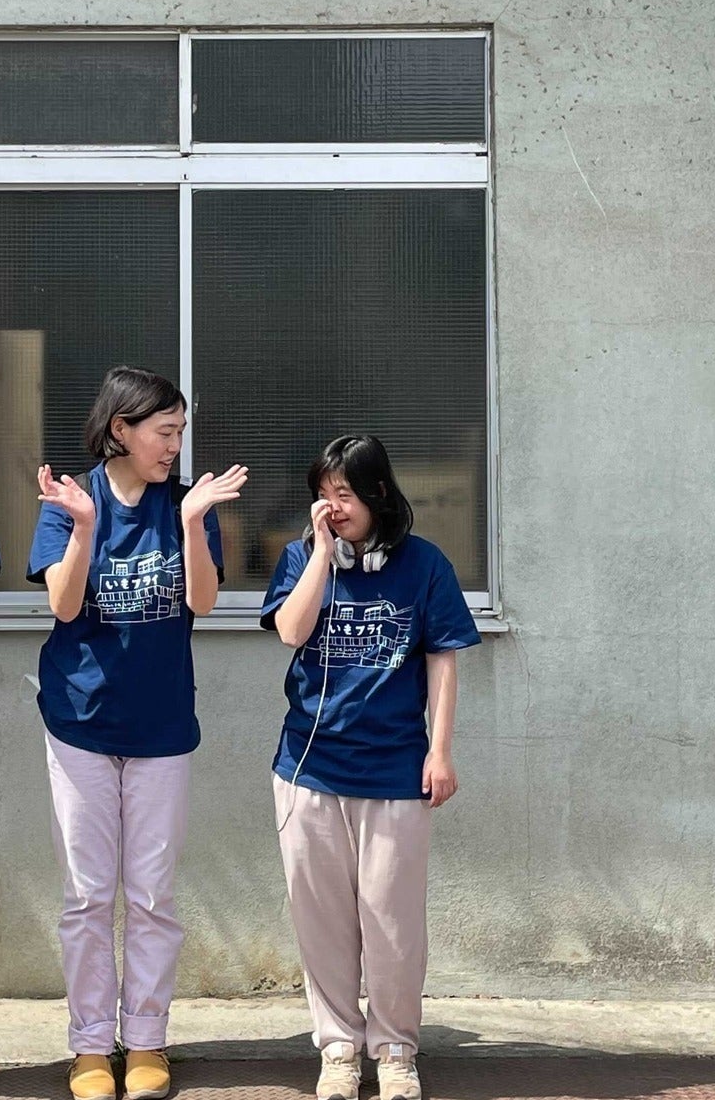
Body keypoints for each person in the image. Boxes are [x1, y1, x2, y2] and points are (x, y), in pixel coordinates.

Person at [27, 366, 247, 1100]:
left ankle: (148, 1038)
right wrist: (84, 529)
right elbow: (63, 607)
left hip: (162, 727)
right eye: (164, 431)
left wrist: (192, 525)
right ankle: (91, 1046)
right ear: (120, 429)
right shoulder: (71, 501)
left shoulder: (186, 505)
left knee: (153, 894)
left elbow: (203, 603)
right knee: (87, 895)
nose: (175, 446)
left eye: (180, 432)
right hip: (80, 723)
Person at [262, 435, 480, 1100]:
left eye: (346, 493)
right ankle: (337, 1047)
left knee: (392, 921)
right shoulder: (301, 557)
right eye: (323, 494)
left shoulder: (425, 565)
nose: (333, 505)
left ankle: (395, 1050)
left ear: (378, 493)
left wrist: (440, 751)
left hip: (394, 772)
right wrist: (320, 556)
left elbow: (442, 659)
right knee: (321, 920)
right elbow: (291, 631)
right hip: (308, 768)